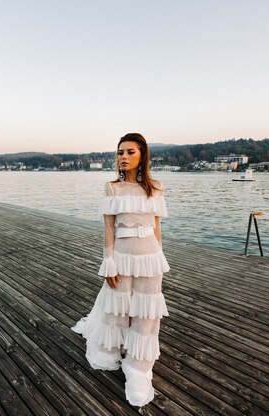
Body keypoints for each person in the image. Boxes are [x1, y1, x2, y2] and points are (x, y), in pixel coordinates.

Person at [72, 133, 170, 407]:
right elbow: (108, 228)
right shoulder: (112, 188)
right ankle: (112, 351)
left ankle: (138, 367)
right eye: (120, 152)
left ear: (142, 155)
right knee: (118, 307)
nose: (123, 157)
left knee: (145, 313)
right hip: (123, 255)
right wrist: (109, 261)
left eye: (130, 152)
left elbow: (157, 227)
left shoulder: (157, 188)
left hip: (150, 256)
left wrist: (159, 258)